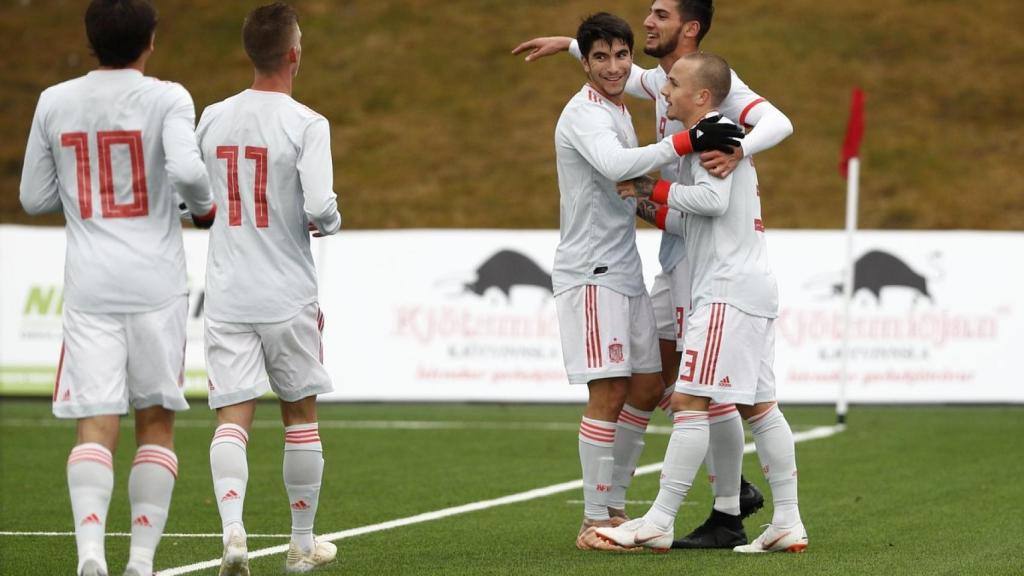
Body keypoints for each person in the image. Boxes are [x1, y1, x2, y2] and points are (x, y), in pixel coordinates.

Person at [513, 0, 794, 548]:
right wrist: (572, 45)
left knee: (699, 394)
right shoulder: (661, 85)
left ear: (688, 30)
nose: (648, 23)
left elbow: (777, 124)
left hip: (707, 267)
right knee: (656, 387)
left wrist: (732, 149)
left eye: (660, 15)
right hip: (669, 257)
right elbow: (618, 69)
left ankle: (717, 509)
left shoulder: (713, 99)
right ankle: (643, 507)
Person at [18, 1, 216, 575]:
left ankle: (89, 557)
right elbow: (187, 170)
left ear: (90, 39)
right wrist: (201, 212)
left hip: (90, 286)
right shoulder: (168, 97)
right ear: (150, 40)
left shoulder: (54, 100)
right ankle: (141, 562)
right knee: (155, 419)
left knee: (95, 420)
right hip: (156, 284)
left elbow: (33, 196)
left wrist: (85, 200)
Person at [595, 51, 807, 554]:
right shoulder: (710, 141)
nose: (663, 91)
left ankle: (659, 520)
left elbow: (708, 201)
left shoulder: (715, 134)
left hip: (727, 291)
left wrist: (655, 185)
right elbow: (695, 220)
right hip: (749, 284)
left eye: (672, 83)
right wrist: (644, 201)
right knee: (760, 406)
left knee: (690, 401)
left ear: (702, 96)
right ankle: (788, 521)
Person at [546, 12, 743, 551]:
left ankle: (614, 503)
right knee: (608, 391)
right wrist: (688, 143)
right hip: (591, 273)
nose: (614, 67)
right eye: (601, 57)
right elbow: (616, 165)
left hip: (625, 267)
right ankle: (594, 518)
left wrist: (659, 199)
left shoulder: (617, 106)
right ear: (585, 63)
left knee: (646, 388)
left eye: (622, 55)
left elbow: (628, 186)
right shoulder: (584, 115)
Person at [195, 2, 341, 574]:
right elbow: (321, 209)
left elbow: (196, 201)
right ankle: (301, 545)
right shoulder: (307, 123)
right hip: (286, 292)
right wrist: (326, 220)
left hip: (228, 292)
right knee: (299, 417)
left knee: (232, 417)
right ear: (294, 54)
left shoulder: (211, 116)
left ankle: (233, 532)